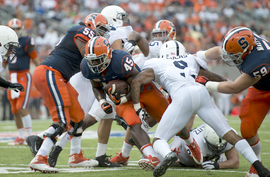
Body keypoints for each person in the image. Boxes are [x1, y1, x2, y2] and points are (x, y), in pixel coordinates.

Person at [129, 41, 270, 177]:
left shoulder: (156, 63)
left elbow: (136, 81)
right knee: (229, 134)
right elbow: (209, 76)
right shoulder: (190, 58)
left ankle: (168, 154)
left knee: (159, 140)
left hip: (181, 95)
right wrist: (228, 84)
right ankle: (259, 166)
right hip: (201, 93)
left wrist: (137, 108)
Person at [47, 6, 151, 168]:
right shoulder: (114, 33)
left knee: (107, 117)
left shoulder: (111, 32)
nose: (125, 20)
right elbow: (118, 57)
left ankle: (101, 156)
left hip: (107, 79)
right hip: (108, 80)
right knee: (89, 118)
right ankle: (57, 146)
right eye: (121, 17)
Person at [81, 36, 202, 172]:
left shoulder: (120, 59)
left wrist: (132, 103)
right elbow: (96, 86)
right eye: (92, 60)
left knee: (170, 119)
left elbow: (135, 82)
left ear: (108, 54)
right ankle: (152, 156)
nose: (95, 64)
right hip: (120, 98)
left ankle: (191, 142)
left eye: (98, 59)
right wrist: (103, 102)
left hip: (144, 90)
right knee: (133, 123)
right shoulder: (87, 66)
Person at [195, 26, 270, 177]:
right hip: (260, 87)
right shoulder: (242, 44)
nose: (228, 58)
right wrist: (198, 56)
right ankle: (256, 163)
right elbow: (221, 51)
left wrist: (206, 84)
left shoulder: (260, 60)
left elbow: (234, 87)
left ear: (247, 52)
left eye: (234, 55)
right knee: (247, 129)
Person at [28, 23, 97, 173]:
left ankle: (76, 156)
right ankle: (40, 158)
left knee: (78, 118)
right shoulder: (81, 31)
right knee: (61, 121)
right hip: (50, 72)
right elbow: (87, 54)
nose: (101, 33)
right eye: (101, 29)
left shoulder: (90, 39)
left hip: (59, 76)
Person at [4, 18, 40, 145]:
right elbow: (2, 64)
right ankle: (20, 136)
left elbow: (36, 59)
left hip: (24, 76)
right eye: (12, 29)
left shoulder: (26, 41)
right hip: (11, 77)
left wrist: (41, 71)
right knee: (14, 109)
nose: (15, 31)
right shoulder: (5, 43)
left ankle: (29, 136)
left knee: (21, 107)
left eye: (17, 28)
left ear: (21, 29)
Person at [170, 123, 239, 170]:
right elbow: (200, 164)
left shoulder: (229, 135)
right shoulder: (196, 141)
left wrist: (217, 165)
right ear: (205, 140)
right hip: (182, 157)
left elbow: (235, 162)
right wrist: (219, 163)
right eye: (213, 145)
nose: (217, 148)